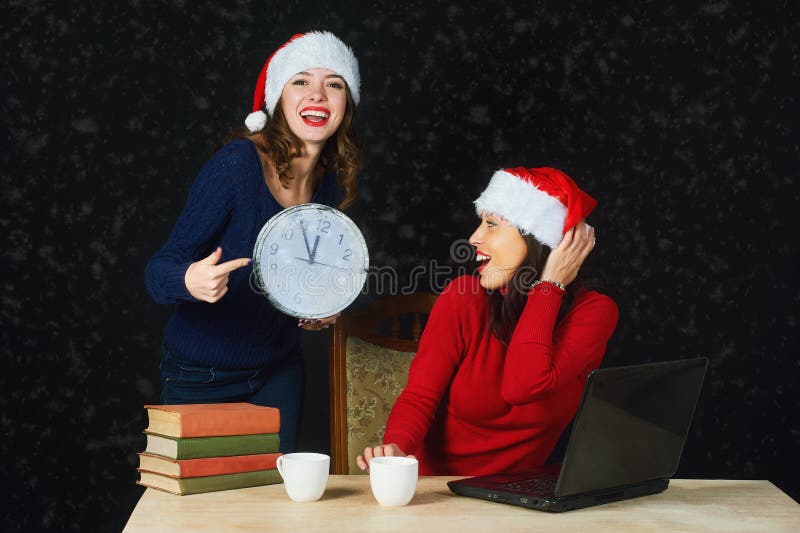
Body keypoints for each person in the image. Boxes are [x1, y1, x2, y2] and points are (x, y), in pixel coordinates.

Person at [145, 31, 363, 453]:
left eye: (333, 84)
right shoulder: (236, 166)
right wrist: (189, 281)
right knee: (200, 512)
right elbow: (158, 270)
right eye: (300, 81)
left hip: (279, 370)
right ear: (277, 97)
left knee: (272, 504)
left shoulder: (328, 182)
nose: (317, 94)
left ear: (346, 105)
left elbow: (304, 272)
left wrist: (318, 306)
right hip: (203, 372)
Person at [356, 166, 618, 475]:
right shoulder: (463, 299)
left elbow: (521, 386)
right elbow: (419, 397)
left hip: (520, 501)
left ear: (541, 241)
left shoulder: (593, 312)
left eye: (491, 224)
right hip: (440, 496)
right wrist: (398, 448)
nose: (474, 237)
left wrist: (548, 287)